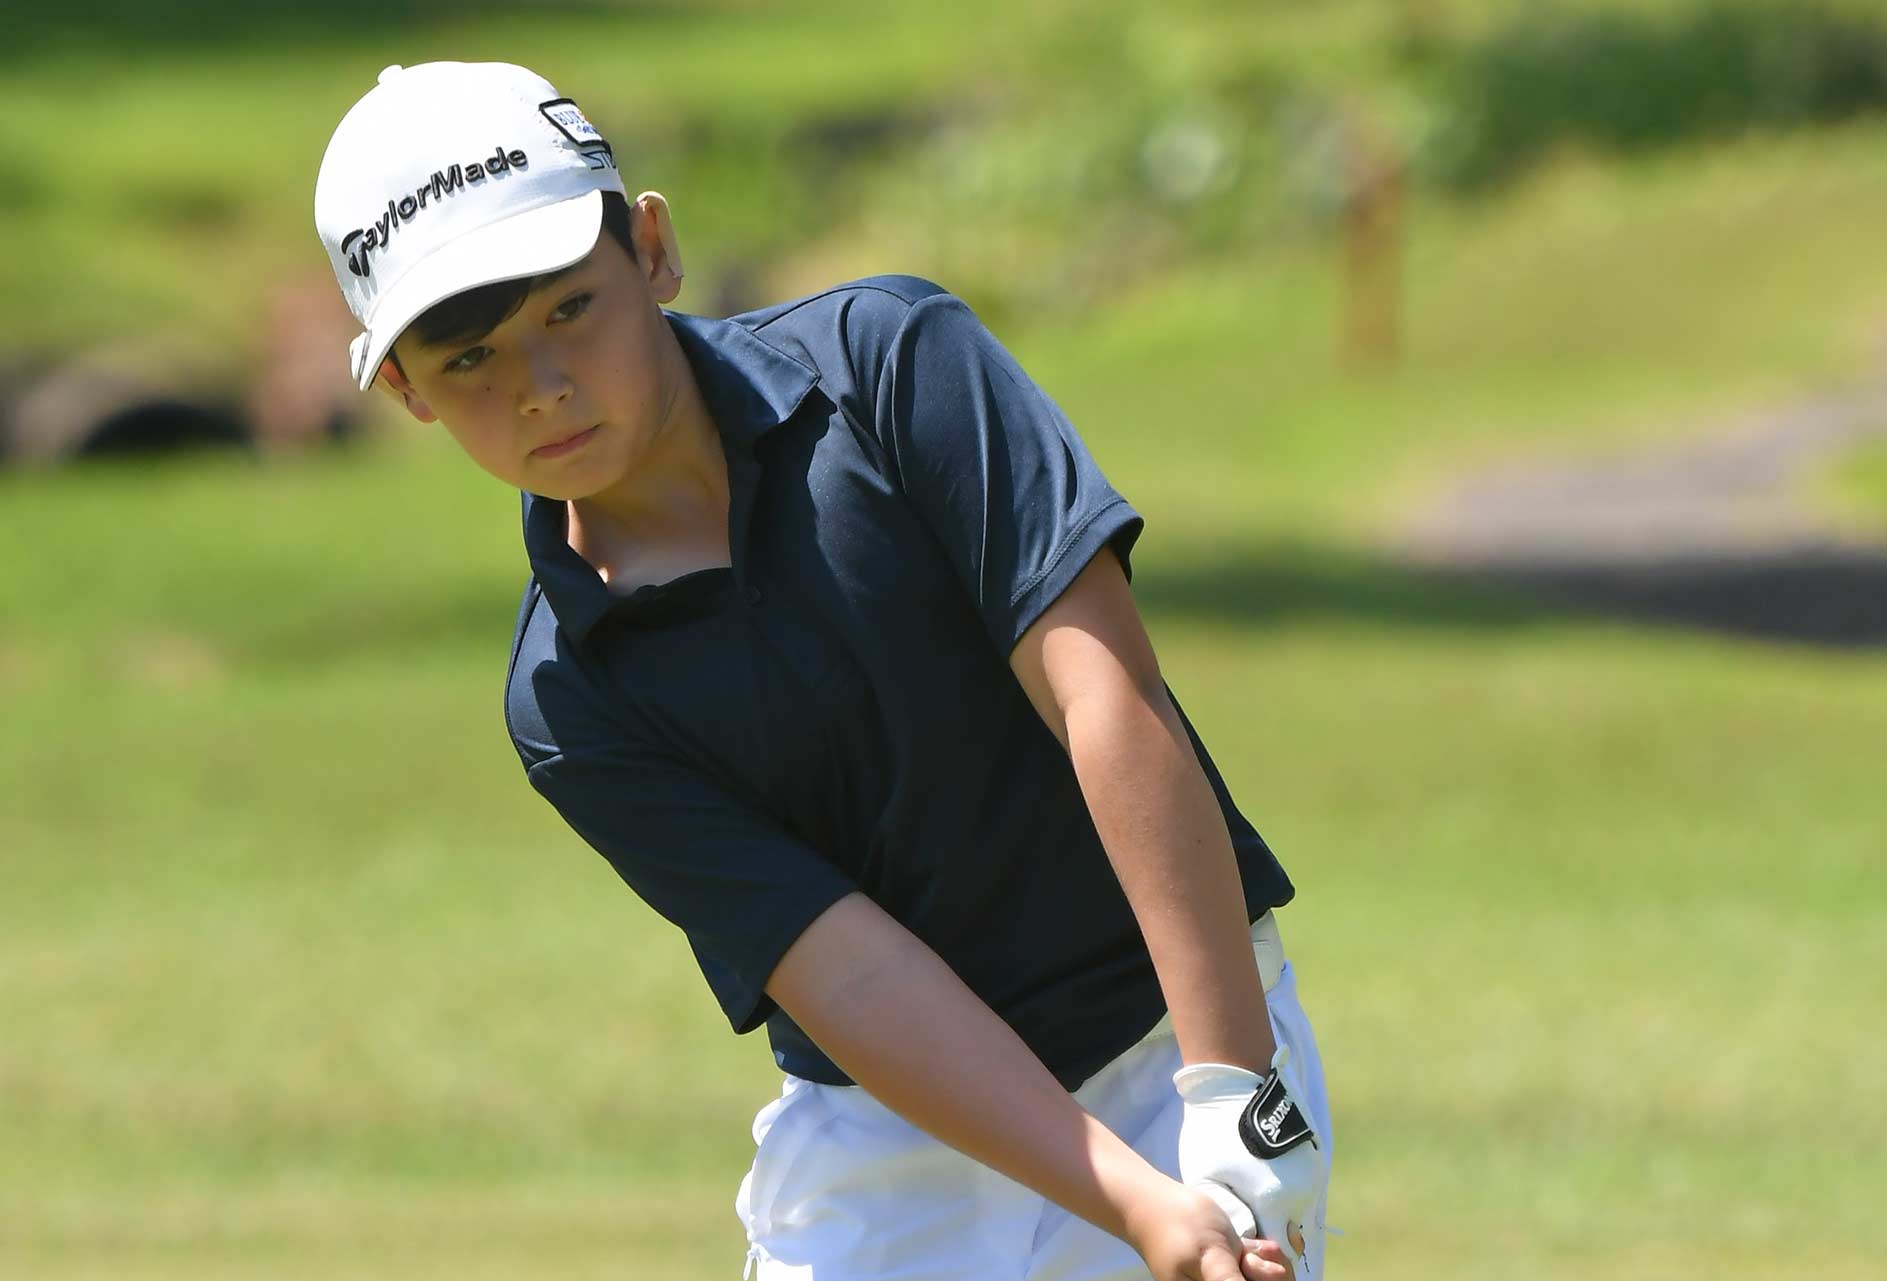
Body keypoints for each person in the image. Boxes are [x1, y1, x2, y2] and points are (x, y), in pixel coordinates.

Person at [314, 61, 1336, 1281]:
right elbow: (850, 969)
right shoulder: (567, 698)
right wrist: (1131, 1205)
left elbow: (1105, 694)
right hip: (889, 1134)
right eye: (471, 359)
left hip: (1181, 1045)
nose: (540, 388)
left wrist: (1232, 1097)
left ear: (652, 250)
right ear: (405, 391)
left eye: (569, 309)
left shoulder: (890, 363)